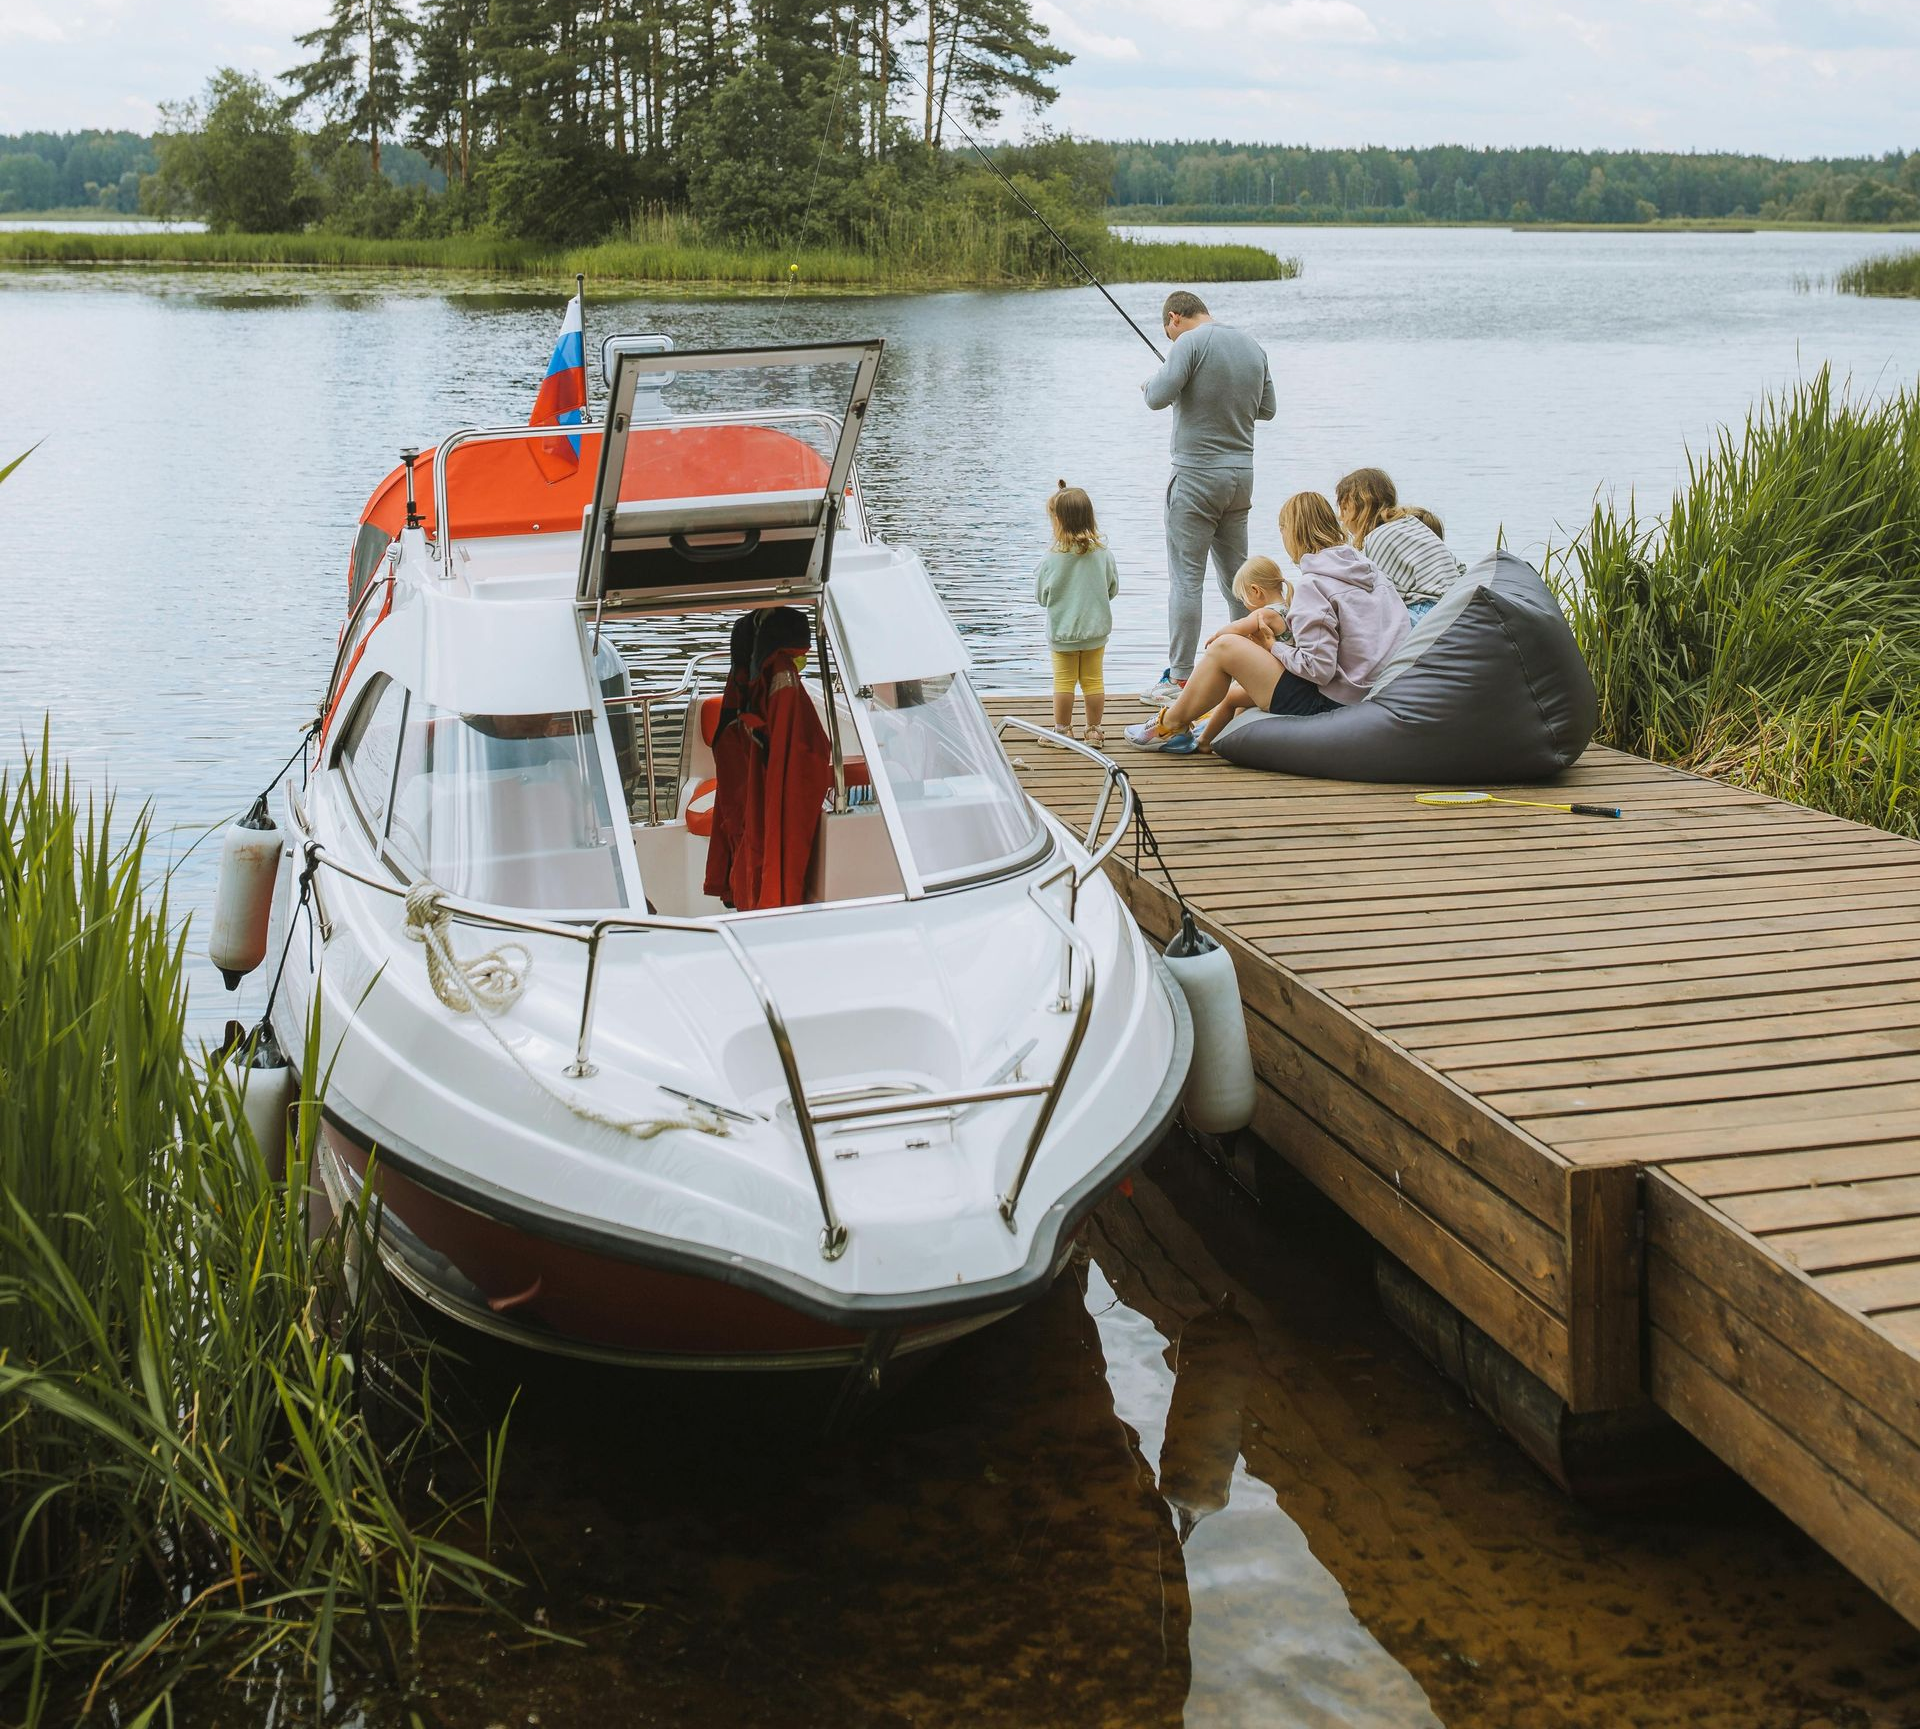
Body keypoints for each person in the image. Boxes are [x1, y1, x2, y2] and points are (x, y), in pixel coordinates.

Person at [1124, 492, 1410, 754]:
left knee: (1225, 647)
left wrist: (1273, 647)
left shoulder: (1314, 585)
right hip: (1377, 693)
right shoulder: (1369, 572)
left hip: (1333, 704)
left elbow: (1319, 669)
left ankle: (1168, 726)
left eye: (1282, 530)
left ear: (1292, 531)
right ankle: (1185, 725)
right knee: (1236, 684)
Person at [1139, 290, 1277, 706]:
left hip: (1196, 476)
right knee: (1238, 579)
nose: (1171, 339)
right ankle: (1251, 669)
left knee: (1186, 580)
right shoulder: (1253, 346)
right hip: (1241, 476)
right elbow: (1267, 409)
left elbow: (1154, 397)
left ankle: (1179, 680)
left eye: (1168, 332)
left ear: (1175, 318)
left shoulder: (1189, 343)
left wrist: (1154, 379)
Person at [1033, 480, 1120, 745]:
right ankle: (1094, 730)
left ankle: (1062, 731)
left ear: (1057, 521)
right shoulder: (1103, 554)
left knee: (1064, 682)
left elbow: (1041, 597)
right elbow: (1112, 589)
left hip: (1063, 633)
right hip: (1095, 632)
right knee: (1093, 681)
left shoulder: (1050, 558)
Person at [1333, 467, 1464, 621]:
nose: (1342, 518)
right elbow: (1460, 568)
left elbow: (1380, 597)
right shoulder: (1412, 523)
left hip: (1428, 613)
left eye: (1345, 509)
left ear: (1362, 507)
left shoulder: (1377, 538)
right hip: (1457, 604)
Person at [1192, 557, 1291, 753]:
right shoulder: (1288, 607)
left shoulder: (1266, 614)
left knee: (1229, 698)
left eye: (1244, 598)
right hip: (1286, 678)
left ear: (1256, 591)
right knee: (1239, 695)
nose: (1245, 605)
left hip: (1279, 683)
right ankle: (1229, 734)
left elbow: (1237, 627)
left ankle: (1204, 741)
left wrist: (1218, 636)